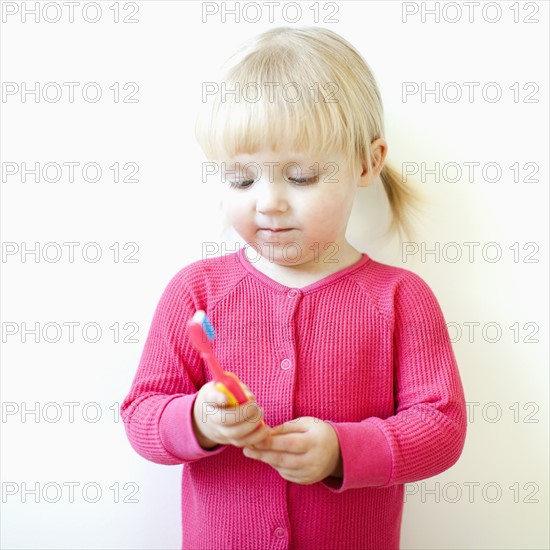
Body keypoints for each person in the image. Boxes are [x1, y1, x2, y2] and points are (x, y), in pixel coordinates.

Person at [120, 27, 467, 550]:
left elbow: (440, 428)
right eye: (241, 180)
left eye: (301, 176)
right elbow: (142, 411)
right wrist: (198, 419)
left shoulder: (399, 298)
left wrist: (343, 451)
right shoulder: (196, 291)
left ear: (368, 163)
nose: (269, 203)